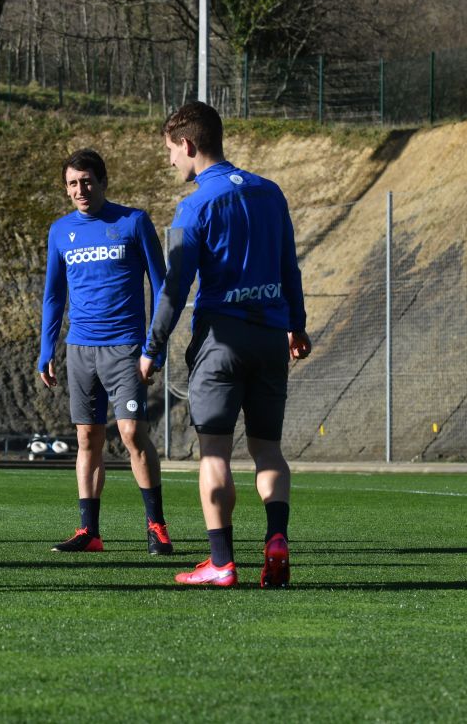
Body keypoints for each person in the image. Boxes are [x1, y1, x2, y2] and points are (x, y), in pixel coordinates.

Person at [139, 101, 312, 588]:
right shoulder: (270, 193)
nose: (171, 160)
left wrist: (152, 349)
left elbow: (174, 289)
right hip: (270, 339)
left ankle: (221, 562)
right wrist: (296, 325)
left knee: (214, 453)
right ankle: (276, 539)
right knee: (268, 450)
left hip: (221, 342)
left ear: (188, 144)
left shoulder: (195, 206)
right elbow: (289, 267)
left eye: (171, 150)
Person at [39, 149, 173, 555]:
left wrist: (155, 347)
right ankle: (89, 532)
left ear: (103, 182)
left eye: (86, 181)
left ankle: (156, 526)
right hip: (80, 349)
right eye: (72, 183)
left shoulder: (133, 222)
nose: (80, 189)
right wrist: (46, 349)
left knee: (132, 433)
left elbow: (162, 287)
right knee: (87, 438)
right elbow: (53, 295)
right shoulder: (60, 231)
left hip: (125, 348)